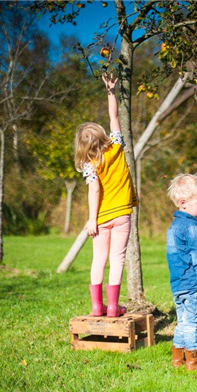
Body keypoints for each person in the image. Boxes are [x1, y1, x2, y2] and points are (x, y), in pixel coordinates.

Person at [74, 73, 138, 318]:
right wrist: (111, 92)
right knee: (118, 259)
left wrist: (92, 218)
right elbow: (114, 116)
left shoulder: (91, 164)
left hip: (100, 217)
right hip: (122, 214)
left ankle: (96, 307)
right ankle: (112, 307)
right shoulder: (117, 145)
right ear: (102, 136)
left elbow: (94, 189)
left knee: (98, 260)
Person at [166, 174, 197, 370]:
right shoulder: (192, 228)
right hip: (193, 285)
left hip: (177, 284)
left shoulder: (174, 226)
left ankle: (177, 360)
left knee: (182, 322)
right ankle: (194, 363)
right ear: (183, 203)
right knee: (192, 323)